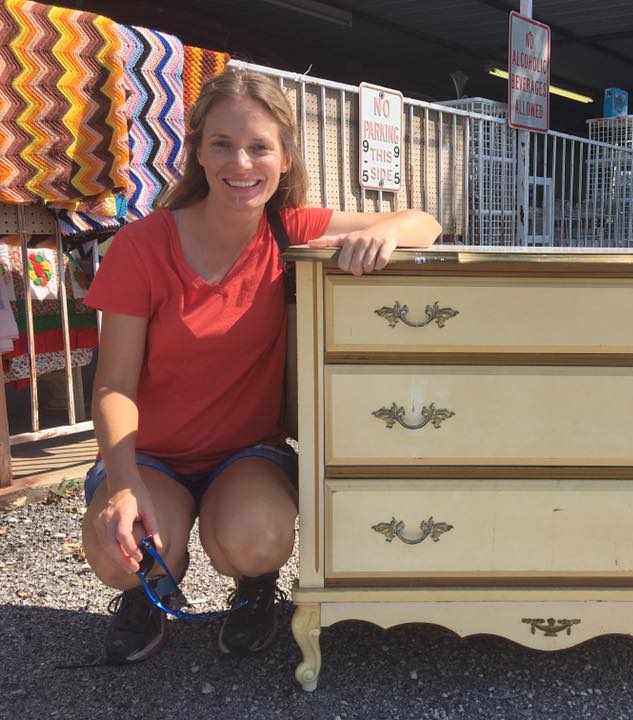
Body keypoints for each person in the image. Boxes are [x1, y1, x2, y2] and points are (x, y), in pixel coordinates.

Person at [80, 68, 441, 664]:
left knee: (256, 539)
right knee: (120, 553)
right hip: (149, 455)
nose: (240, 163)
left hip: (245, 453)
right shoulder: (142, 246)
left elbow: (424, 224)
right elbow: (114, 384)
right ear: (197, 150)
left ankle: (254, 589)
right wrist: (123, 483)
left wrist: (385, 235)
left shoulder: (286, 228)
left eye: (259, 147)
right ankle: (147, 591)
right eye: (221, 144)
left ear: (284, 158)